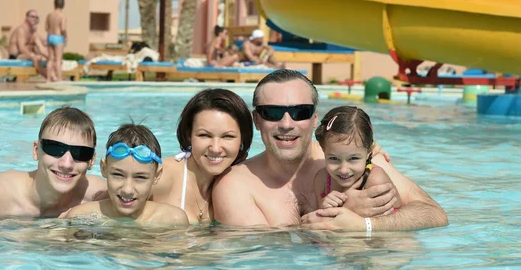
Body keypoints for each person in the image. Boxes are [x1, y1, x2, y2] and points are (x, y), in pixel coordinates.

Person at [212, 69, 448, 231]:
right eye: (272, 112)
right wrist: (345, 211)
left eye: (300, 112)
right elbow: (259, 259)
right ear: (256, 120)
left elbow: (434, 214)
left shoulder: (357, 161)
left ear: (315, 118)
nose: (286, 124)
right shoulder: (235, 186)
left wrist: (367, 225)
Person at [0, 107, 107, 220]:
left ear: (91, 161)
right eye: (55, 148)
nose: (66, 164)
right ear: (36, 150)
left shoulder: (102, 197)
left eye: (80, 153)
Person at [149, 89, 253, 224]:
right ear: (188, 135)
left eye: (228, 136)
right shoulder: (160, 177)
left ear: (242, 140)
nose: (215, 148)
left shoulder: (239, 186)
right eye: (204, 135)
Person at [63, 124, 189, 225]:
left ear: (157, 175)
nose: (127, 190)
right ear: (104, 168)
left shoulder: (173, 220)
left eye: (140, 177)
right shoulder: (80, 217)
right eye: (118, 175)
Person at [314, 106, 402, 212]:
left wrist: (345, 210)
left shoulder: (375, 180)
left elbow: (390, 222)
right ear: (323, 149)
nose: (343, 170)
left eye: (353, 158)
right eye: (334, 158)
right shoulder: (322, 179)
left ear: (369, 150)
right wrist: (324, 208)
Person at [8, 10, 48, 77]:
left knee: (39, 50)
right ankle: (48, 76)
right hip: (15, 56)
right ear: (26, 18)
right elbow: (21, 48)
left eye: (36, 17)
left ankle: (54, 74)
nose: (34, 19)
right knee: (34, 56)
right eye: (32, 17)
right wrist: (32, 55)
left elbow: (44, 41)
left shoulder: (32, 31)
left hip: (24, 55)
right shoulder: (21, 30)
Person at [45, 0, 67, 82]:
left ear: (54, 4)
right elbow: (63, 28)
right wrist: (65, 36)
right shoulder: (62, 16)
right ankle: (59, 78)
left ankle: (47, 79)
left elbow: (46, 27)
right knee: (58, 60)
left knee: (50, 59)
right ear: (63, 5)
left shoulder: (49, 15)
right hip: (58, 37)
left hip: (50, 37)